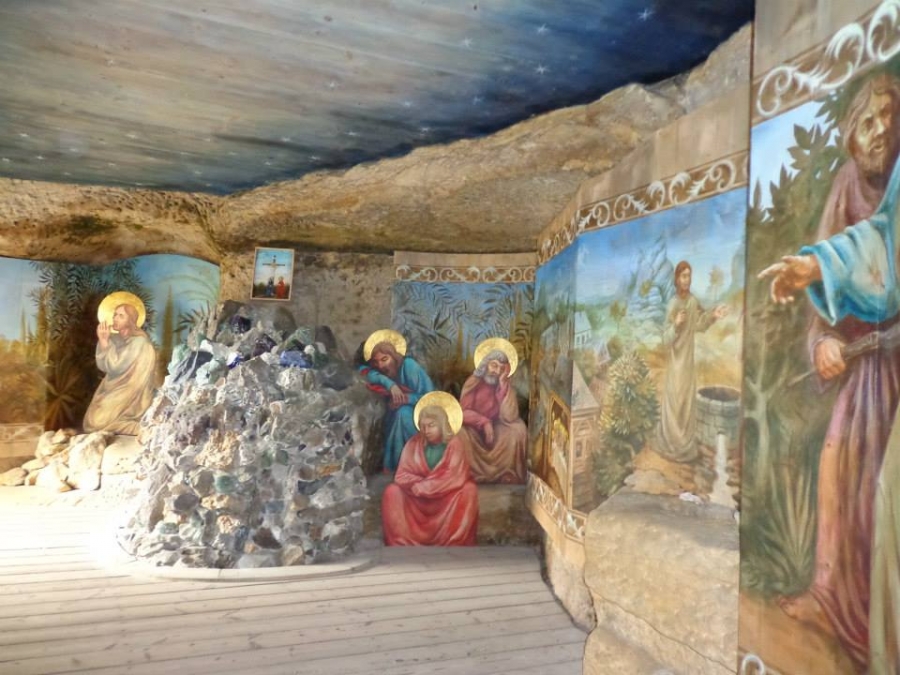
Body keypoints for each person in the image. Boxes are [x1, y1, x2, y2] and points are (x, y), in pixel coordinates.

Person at [759, 73, 900, 672]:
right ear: (850, 135)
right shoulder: (846, 184)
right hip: (863, 366)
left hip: (894, 362)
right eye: (868, 121)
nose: (881, 130)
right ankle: (829, 598)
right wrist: (822, 340)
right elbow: (826, 269)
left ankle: (874, 621)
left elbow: (880, 251)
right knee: (839, 464)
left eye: (889, 116)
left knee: (881, 490)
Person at [654, 261, 727, 463]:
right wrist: (676, 325)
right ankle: (672, 442)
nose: (687, 280)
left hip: (687, 363)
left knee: (686, 402)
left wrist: (713, 316)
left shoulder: (693, 302)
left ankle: (684, 445)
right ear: (677, 279)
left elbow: (700, 324)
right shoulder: (672, 304)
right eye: (683, 276)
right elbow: (665, 339)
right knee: (675, 401)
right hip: (675, 363)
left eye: (689, 276)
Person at [381, 396, 478, 546]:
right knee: (392, 492)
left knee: (469, 490)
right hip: (416, 499)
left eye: (431, 425)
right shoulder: (413, 443)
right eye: (423, 426)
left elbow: (453, 477)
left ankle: (455, 542)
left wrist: (425, 486)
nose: (426, 430)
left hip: (446, 498)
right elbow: (401, 475)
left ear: (442, 424)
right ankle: (402, 542)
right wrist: (417, 484)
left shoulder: (454, 444)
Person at [359, 330, 434, 472]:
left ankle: (412, 465)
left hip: (423, 414)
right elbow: (364, 371)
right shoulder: (382, 372)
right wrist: (390, 384)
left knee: (402, 413)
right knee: (397, 414)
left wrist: (406, 399)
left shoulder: (409, 366)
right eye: (376, 362)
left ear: (394, 356)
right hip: (394, 414)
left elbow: (430, 398)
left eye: (384, 359)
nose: (380, 366)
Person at [83, 302, 157, 436]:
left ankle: (135, 428)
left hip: (131, 391)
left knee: (97, 422)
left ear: (131, 320)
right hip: (112, 388)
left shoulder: (139, 342)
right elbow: (102, 366)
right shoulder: (114, 338)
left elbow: (116, 366)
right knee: (90, 422)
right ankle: (123, 425)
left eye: (121, 316)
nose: (115, 318)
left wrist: (105, 342)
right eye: (115, 315)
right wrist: (104, 342)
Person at [458, 343, 527, 484]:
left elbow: (510, 416)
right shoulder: (473, 382)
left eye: (502, 368)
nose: (497, 371)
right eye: (494, 366)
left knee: (518, 430)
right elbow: (462, 412)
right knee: (459, 433)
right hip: (473, 427)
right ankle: (470, 473)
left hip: (497, 426)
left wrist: (503, 385)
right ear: (485, 364)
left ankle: (504, 473)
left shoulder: (504, 385)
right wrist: (484, 422)